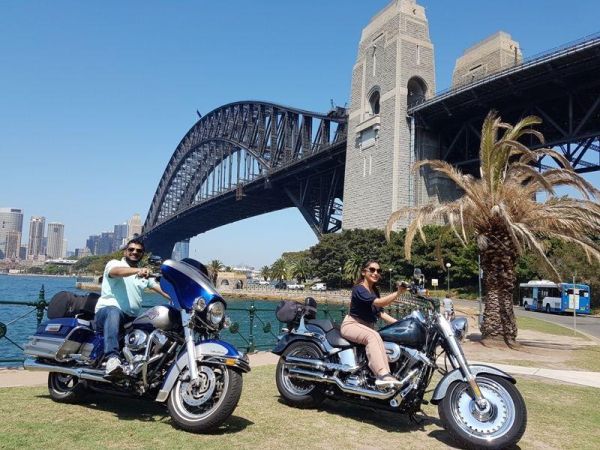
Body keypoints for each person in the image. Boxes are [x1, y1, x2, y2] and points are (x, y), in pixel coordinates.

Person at [95, 238, 170, 376]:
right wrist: (137, 270)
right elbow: (116, 272)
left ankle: (149, 366)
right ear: (125, 252)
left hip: (131, 318)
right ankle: (112, 358)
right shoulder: (115, 264)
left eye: (139, 251)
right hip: (106, 313)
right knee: (114, 311)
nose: (134, 252)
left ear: (142, 254)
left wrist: (182, 299)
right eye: (131, 249)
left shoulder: (144, 275)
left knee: (155, 328)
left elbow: (162, 290)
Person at [340, 260, 408, 387]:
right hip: (352, 324)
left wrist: (400, 323)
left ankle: (390, 373)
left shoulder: (374, 291)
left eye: (378, 271)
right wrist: (398, 293)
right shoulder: (359, 289)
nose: (375, 273)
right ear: (363, 272)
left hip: (366, 327)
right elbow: (379, 303)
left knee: (383, 337)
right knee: (373, 336)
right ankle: (382, 374)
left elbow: (379, 312)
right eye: (372, 270)